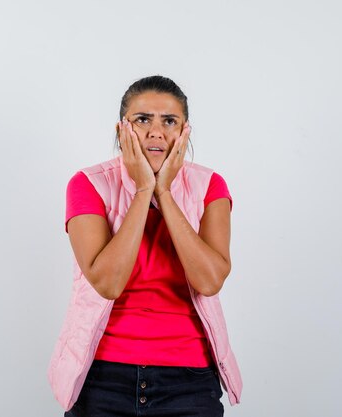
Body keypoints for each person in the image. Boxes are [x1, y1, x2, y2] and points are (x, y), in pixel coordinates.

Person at [48, 75, 242, 417]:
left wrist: (164, 192)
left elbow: (209, 281)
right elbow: (108, 283)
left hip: (189, 381)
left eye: (169, 121)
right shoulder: (88, 184)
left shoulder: (210, 185)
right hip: (103, 378)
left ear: (184, 132)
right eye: (142, 120)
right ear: (123, 129)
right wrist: (142, 191)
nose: (156, 131)